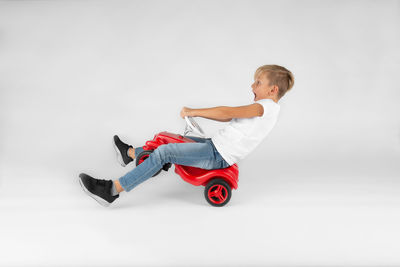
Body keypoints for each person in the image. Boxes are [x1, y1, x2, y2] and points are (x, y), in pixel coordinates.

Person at [79, 64, 295, 206]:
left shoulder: (264, 108)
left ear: (272, 89)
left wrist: (194, 111)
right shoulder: (263, 108)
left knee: (164, 152)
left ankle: (112, 189)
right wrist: (199, 116)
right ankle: (131, 153)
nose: (252, 85)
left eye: (258, 82)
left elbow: (228, 111)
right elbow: (228, 118)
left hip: (216, 155)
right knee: (167, 138)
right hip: (215, 145)